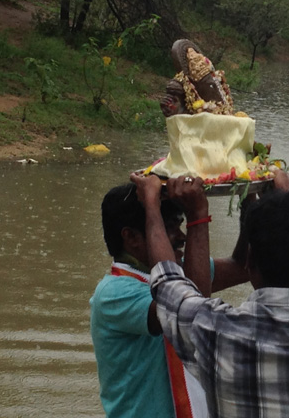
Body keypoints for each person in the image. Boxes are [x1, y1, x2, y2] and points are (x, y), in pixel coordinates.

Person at [130, 173, 289, 418]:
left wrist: (153, 207)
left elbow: (167, 283)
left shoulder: (219, 332)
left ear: (249, 261)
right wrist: (283, 203)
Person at [90, 178, 248, 418]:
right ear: (130, 237)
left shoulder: (181, 270)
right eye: (168, 227)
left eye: (180, 225)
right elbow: (190, 308)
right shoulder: (114, 293)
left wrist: (253, 198)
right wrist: (198, 217)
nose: (182, 236)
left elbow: (244, 266)